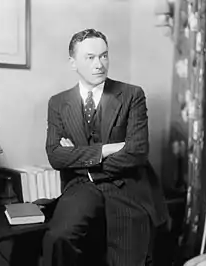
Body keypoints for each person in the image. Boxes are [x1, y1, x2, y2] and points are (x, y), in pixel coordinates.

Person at [44, 28, 169, 266]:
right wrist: (105, 150)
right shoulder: (58, 103)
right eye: (90, 57)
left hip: (126, 184)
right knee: (58, 238)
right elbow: (55, 156)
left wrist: (79, 158)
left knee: (128, 257)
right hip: (81, 187)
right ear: (73, 62)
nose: (99, 64)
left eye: (104, 56)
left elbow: (136, 153)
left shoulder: (132, 95)